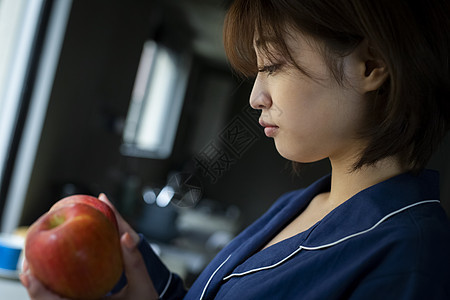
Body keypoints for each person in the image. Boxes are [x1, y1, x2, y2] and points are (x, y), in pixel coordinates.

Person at [21, 0, 450, 299]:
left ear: (371, 65)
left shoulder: (412, 255)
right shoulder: (297, 206)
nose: (255, 97)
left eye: (272, 66)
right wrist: (126, 260)